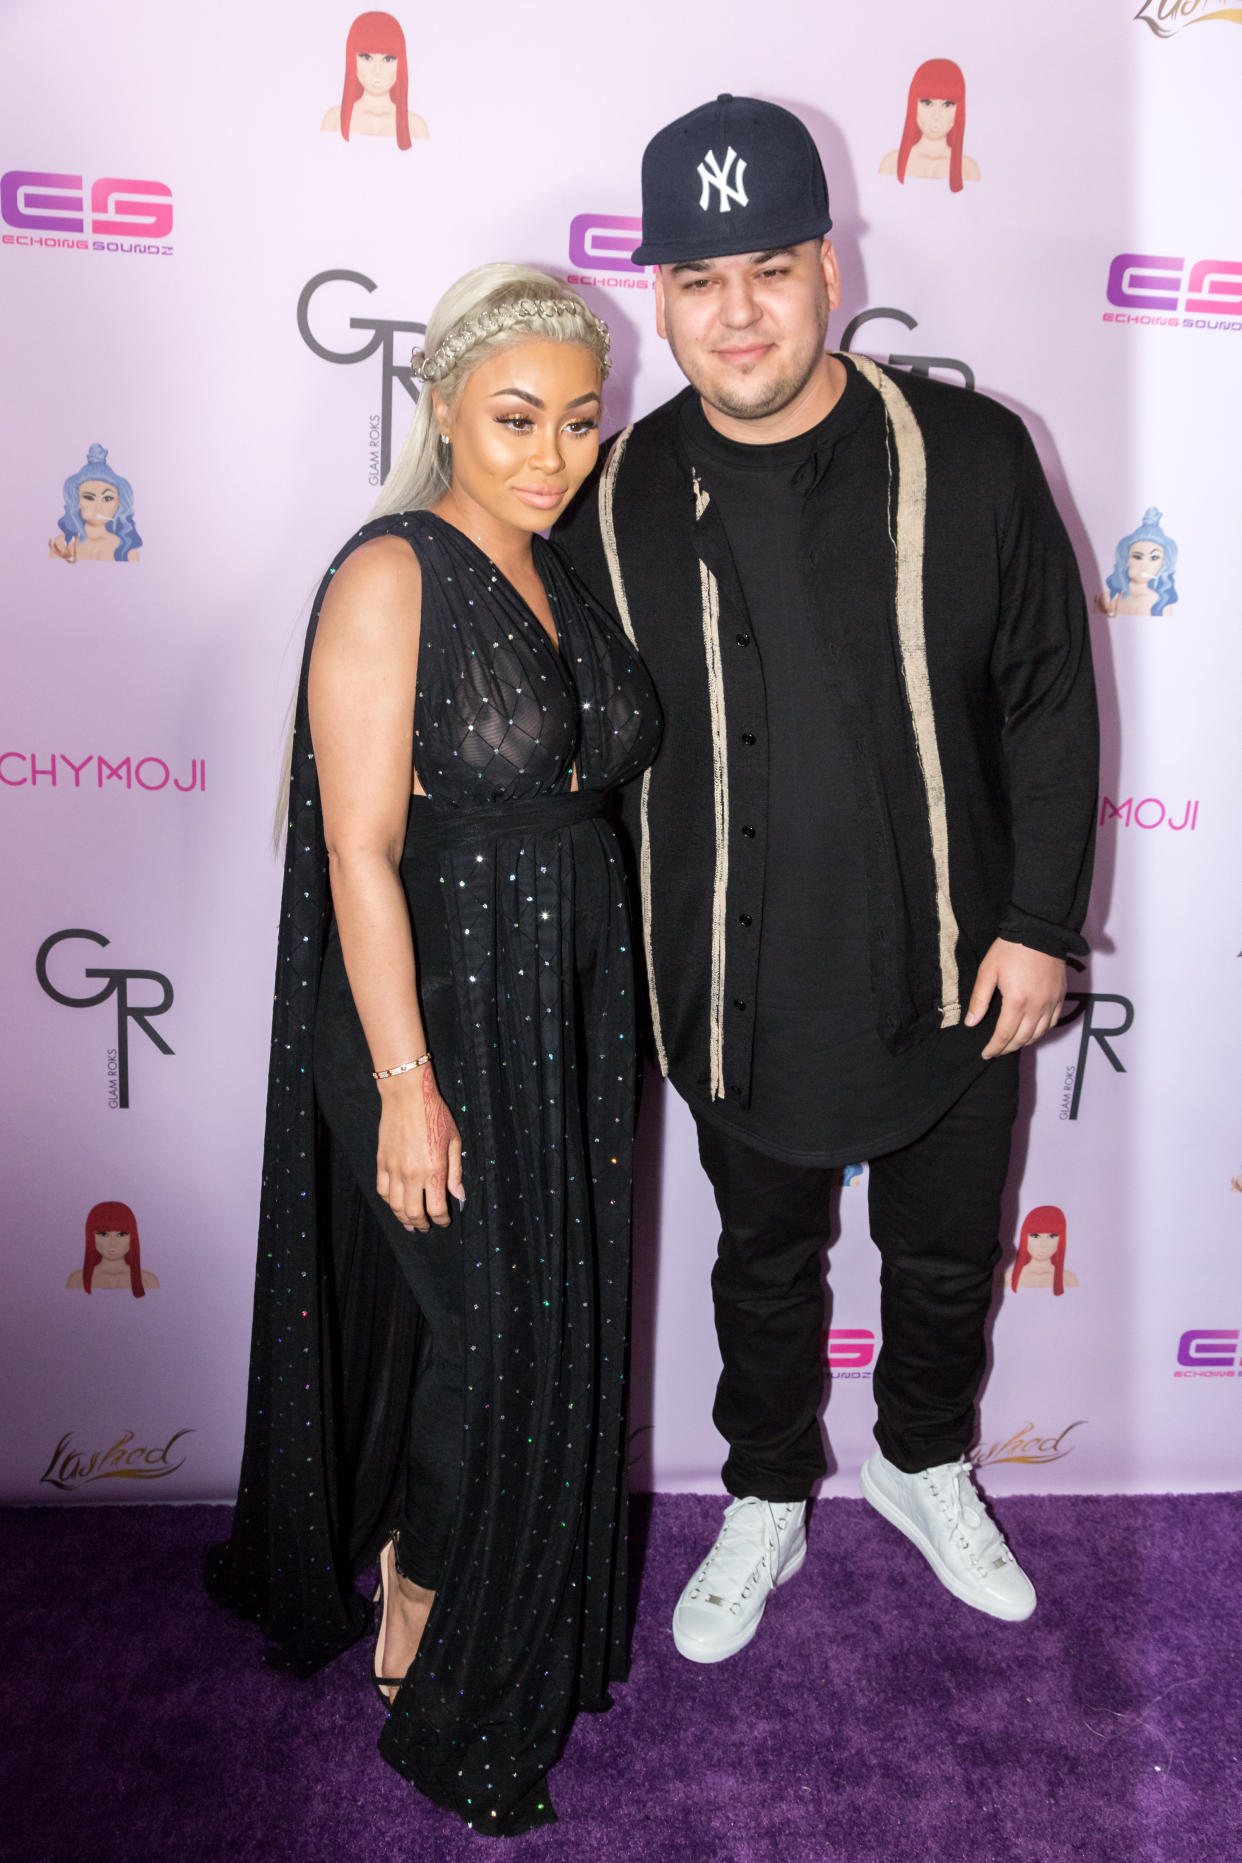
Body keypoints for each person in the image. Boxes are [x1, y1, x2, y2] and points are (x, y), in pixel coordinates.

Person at [556, 93, 1097, 1659]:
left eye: (770, 270)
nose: (736, 313)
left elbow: (1049, 697)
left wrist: (1042, 924)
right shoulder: (614, 495)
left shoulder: (977, 452)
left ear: (829, 268)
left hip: (949, 964)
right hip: (732, 979)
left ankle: (920, 1460)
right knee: (761, 1261)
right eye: (699, 278)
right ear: (657, 294)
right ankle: (767, 1489)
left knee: (940, 1257)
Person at [208, 264, 659, 1835]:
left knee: (540, 1325)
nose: (551, 453)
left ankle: (480, 1576)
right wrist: (407, 1084)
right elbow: (357, 854)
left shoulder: (558, 565)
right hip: (435, 1016)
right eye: (516, 417)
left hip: (572, 1014)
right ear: (446, 408)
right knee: (491, 1329)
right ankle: (421, 1595)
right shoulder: (391, 571)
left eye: (581, 423)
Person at [321, 11, 429, 145]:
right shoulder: (333, 120)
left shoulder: (416, 127)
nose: (377, 70)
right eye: (366, 57)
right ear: (351, 59)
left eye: (388, 58)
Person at [879, 58, 979, 188]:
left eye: (947, 104)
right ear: (913, 104)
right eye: (927, 103)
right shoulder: (891, 163)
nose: (936, 116)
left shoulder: (968, 169)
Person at [48, 442, 142, 563]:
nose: (98, 507)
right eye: (89, 497)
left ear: (118, 503)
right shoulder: (62, 544)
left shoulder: (127, 550)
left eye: (107, 499)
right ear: (76, 500)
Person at [1096, 506, 1178, 616]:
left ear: (1163, 563)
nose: (1145, 566)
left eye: (1154, 558)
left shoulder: (1161, 606)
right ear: (1126, 559)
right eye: (1137, 557)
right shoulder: (1109, 600)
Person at [66, 1200, 157, 1294]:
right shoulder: (76, 1280)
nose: (113, 1243)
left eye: (121, 1234)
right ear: (91, 1237)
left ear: (133, 1237)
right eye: (103, 1234)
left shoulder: (148, 1281)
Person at [1011, 1206, 1077, 1292]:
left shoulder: (1069, 1280)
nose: (1043, 1244)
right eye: (1035, 1236)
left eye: (1052, 1236)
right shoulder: (1008, 1279)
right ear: (1024, 1237)